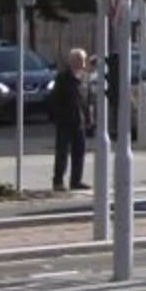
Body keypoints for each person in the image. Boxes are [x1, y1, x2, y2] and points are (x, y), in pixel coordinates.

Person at [51, 47, 94, 193]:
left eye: (83, 60)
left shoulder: (85, 78)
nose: (82, 63)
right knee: (62, 152)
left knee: (79, 152)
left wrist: (89, 118)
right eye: (79, 60)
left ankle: (76, 180)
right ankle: (58, 181)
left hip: (80, 121)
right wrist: (57, 117)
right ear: (71, 61)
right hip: (65, 121)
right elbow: (55, 99)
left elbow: (88, 100)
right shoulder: (62, 78)